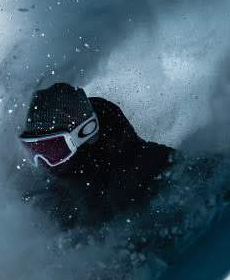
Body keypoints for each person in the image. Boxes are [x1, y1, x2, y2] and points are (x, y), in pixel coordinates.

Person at [19, 83, 182, 228]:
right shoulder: (48, 192)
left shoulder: (150, 167)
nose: (43, 161)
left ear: (85, 136)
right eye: (33, 149)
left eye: (53, 148)